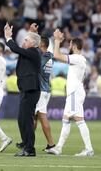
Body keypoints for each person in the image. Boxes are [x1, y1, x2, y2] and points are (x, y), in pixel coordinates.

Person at [48, 29, 94, 157]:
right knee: (66, 119)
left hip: (75, 93)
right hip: (74, 92)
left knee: (79, 120)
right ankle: (59, 147)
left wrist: (57, 41)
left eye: (70, 44)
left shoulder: (77, 58)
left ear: (74, 46)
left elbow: (57, 56)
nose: (68, 46)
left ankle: (89, 148)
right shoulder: (79, 59)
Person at [4, 23, 41, 157]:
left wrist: (8, 37)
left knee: (27, 120)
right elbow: (21, 49)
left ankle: (30, 149)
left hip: (31, 89)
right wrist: (31, 32)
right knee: (22, 119)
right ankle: (26, 145)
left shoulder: (33, 51)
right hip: (27, 89)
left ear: (33, 43)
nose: (23, 42)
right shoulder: (31, 51)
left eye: (26, 40)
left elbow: (15, 48)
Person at [29, 23, 55, 152]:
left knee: (42, 115)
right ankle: (28, 141)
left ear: (41, 45)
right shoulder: (48, 55)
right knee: (35, 117)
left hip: (41, 90)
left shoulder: (44, 56)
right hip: (44, 89)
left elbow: (36, 65)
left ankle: (51, 144)